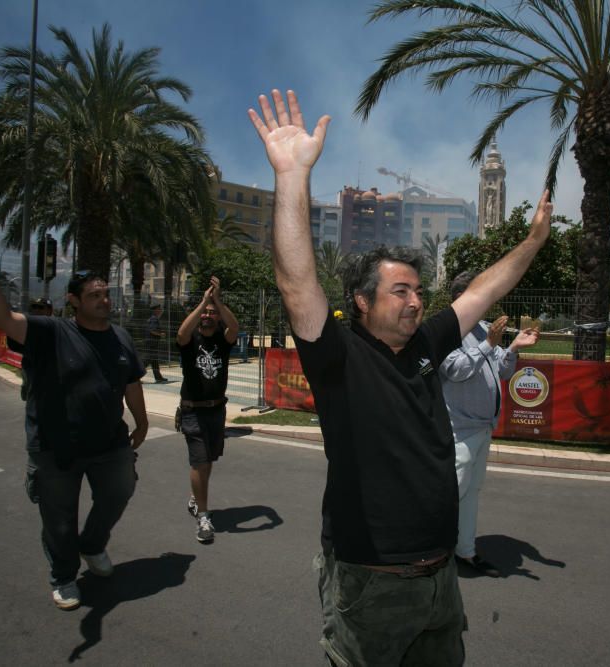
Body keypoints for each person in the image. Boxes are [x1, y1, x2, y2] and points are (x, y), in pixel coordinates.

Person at [248, 89, 552, 665]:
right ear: (362, 302)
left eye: (419, 290)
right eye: (401, 291)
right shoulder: (337, 357)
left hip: (439, 581)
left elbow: (483, 290)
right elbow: (295, 282)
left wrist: (533, 242)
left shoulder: (426, 345)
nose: (417, 302)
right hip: (371, 584)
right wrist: (291, 176)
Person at [0, 234, 148, 612]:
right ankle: (64, 576)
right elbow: (1, 317)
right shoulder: (51, 332)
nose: (104, 300)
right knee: (59, 519)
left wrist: (143, 423)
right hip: (55, 447)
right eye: (94, 295)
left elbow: (131, 382)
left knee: (120, 491)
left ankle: (93, 544)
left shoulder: (121, 338)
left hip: (110, 443)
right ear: (74, 301)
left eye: (105, 294)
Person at [439, 272, 540, 578]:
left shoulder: (482, 329)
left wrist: (513, 348)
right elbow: (454, 369)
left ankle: (464, 551)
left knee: (471, 492)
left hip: (482, 427)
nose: (487, 301)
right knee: (450, 494)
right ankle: (428, 554)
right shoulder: (447, 330)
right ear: (463, 298)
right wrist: (487, 345)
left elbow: (503, 370)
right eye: (481, 294)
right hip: (458, 429)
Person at [176, 277, 239, 543]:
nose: (208, 315)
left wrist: (218, 302)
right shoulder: (190, 341)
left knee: (209, 459)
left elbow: (234, 327)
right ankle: (203, 516)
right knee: (200, 461)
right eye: (205, 313)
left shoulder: (223, 343)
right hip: (193, 411)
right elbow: (181, 333)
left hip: (216, 411)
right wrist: (203, 301)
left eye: (212, 313)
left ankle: (195, 497)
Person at [145, 304, 169, 384]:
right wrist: (161, 334)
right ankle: (135, 375)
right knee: (147, 360)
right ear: (155, 310)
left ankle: (158, 377)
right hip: (152, 343)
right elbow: (152, 330)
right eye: (159, 309)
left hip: (152, 342)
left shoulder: (153, 318)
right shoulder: (154, 319)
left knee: (154, 361)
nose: (160, 310)